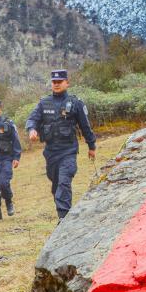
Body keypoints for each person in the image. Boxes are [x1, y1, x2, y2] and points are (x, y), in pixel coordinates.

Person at [26, 69, 96, 221]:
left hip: (68, 151)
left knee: (64, 182)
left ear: (67, 83)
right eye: (54, 82)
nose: (56, 84)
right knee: (56, 184)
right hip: (51, 152)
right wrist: (32, 129)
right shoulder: (44, 103)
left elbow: (85, 126)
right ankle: (62, 210)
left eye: (59, 82)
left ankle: (63, 218)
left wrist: (91, 146)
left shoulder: (75, 103)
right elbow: (32, 119)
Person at [0, 100, 22, 219]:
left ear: (0, 109)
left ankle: (8, 201)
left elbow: (15, 140)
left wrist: (16, 157)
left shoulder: (7, 123)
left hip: (6, 159)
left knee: (3, 183)